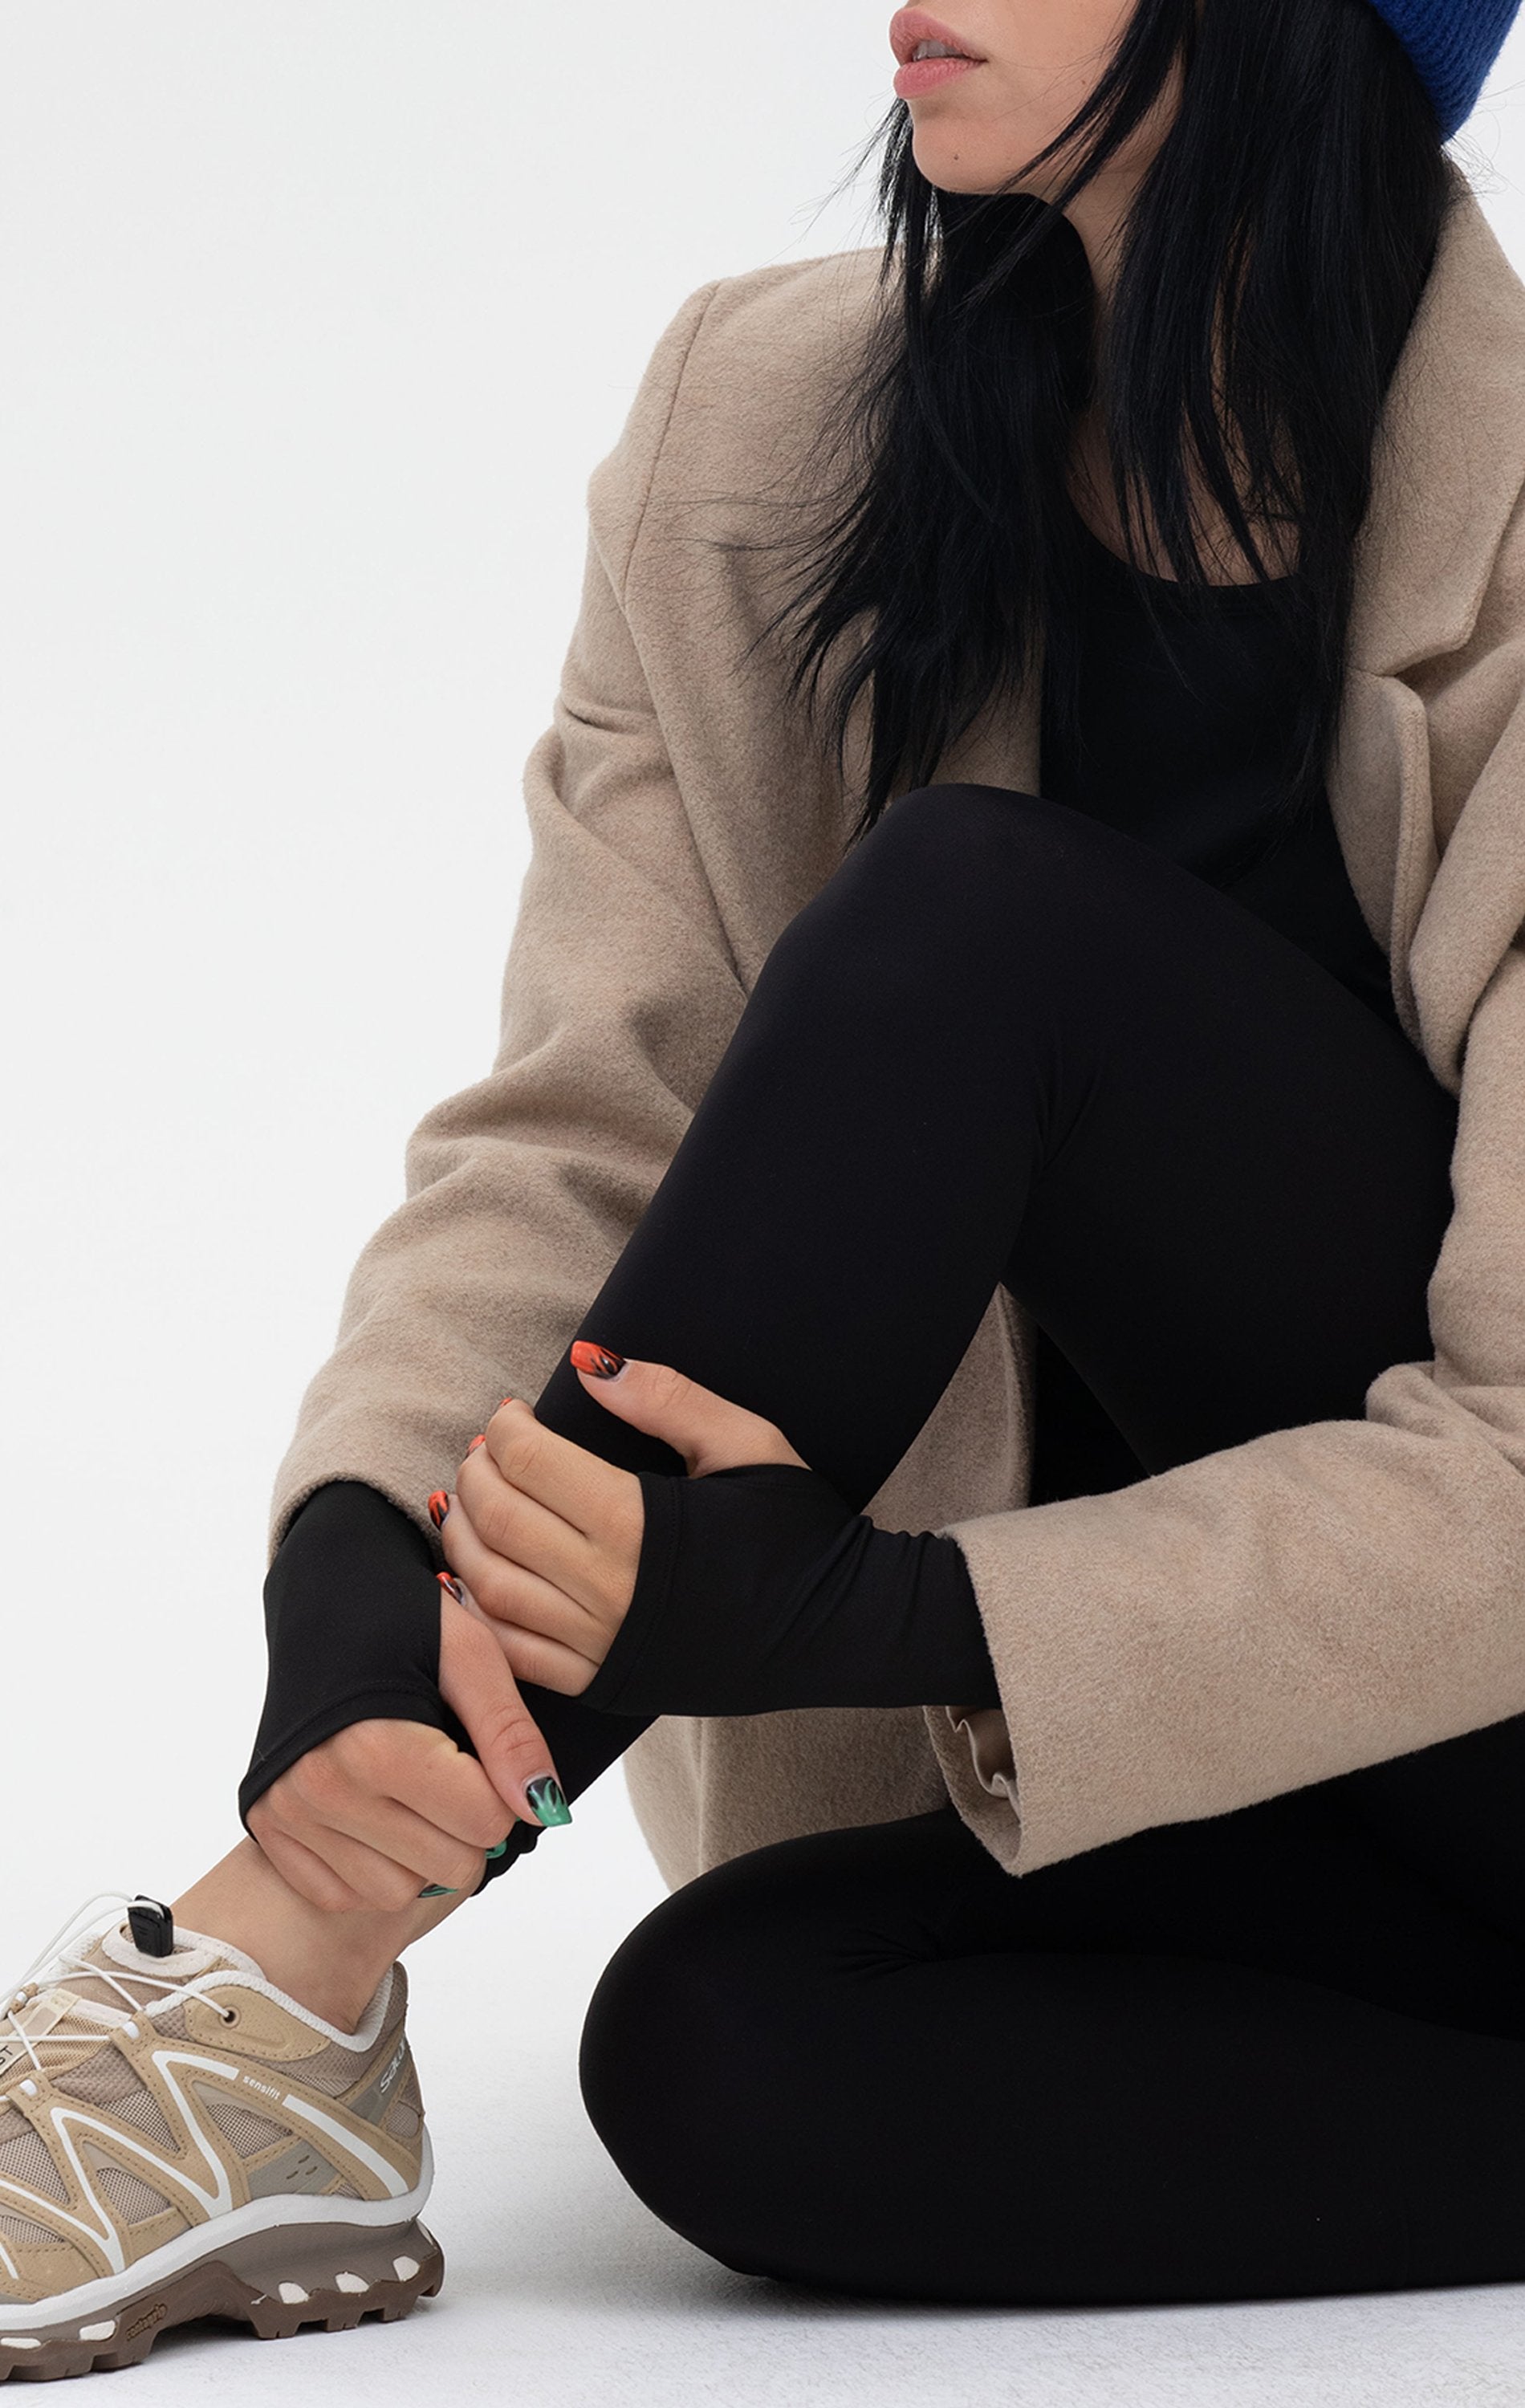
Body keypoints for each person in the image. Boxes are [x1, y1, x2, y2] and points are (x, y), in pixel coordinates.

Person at [7, 0, 1525, 2373]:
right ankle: (290, 1988)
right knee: (720, 2059)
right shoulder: (761, 429)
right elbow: (589, 1120)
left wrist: (891, 1615)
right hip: (1194, 1798)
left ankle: (269, 1977)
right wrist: (362, 1552)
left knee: (978, 929)